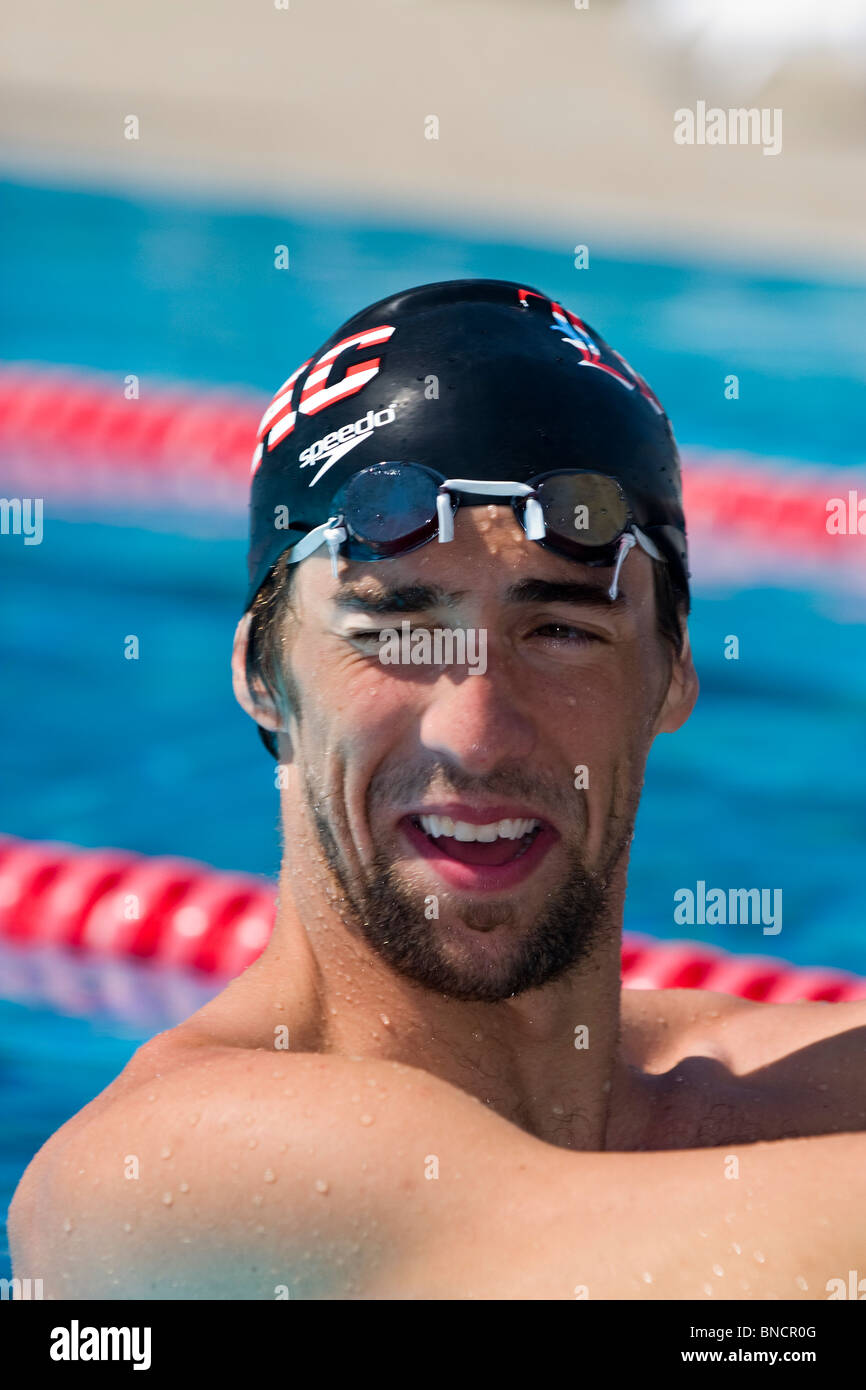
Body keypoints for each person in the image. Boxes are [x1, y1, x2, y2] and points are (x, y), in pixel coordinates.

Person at [10, 279, 866, 1300]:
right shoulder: (153, 1180)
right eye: (391, 631)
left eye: (559, 631)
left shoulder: (791, 1089)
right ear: (261, 675)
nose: (475, 733)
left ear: (671, 675)